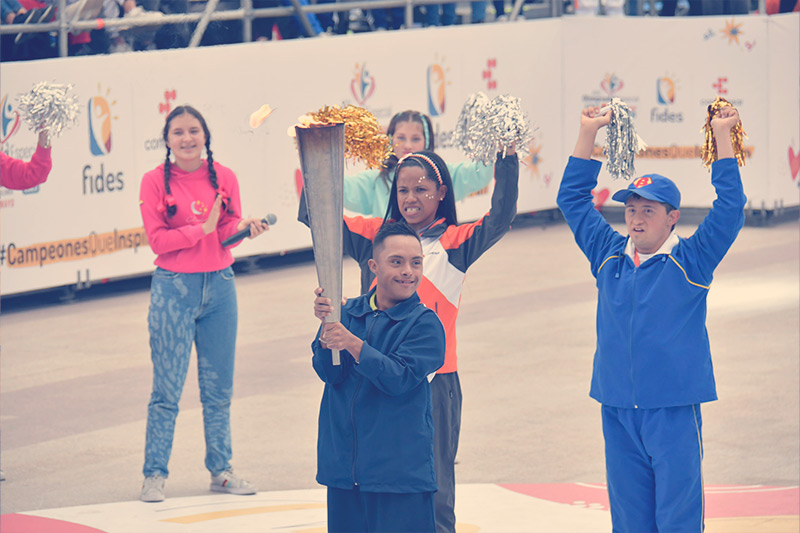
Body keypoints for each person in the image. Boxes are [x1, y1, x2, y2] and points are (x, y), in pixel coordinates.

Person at [305, 148, 518, 533]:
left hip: (434, 379)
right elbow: (318, 217)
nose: (411, 198)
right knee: (370, 484)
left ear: (441, 193)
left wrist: (507, 158)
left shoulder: (455, 241)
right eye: (402, 190)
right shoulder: (374, 236)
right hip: (367, 374)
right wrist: (314, 155)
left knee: (432, 490)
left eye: (421, 189)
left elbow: (500, 218)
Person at [556, 103, 746, 531]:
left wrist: (721, 136)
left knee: (678, 517)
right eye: (631, 208)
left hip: (672, 410)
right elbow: (571, 199)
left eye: (649, 210)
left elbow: (731, 207)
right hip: (617, 407)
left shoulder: (692, 260)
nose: (636, 218)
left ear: (672, 218)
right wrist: (588, 133)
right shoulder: (608, 255)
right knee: (629, 519)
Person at [138, 105, 268, 503]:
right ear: (167, 140)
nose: (187, 138)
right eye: (178, 132)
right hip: (173, 290)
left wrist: (243, 230)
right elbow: (158, 241)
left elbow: (225, 233)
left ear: (206, 136)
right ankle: (154, 475)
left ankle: (222, 470)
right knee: (167, 392)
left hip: (220, 288)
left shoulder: (224, 177)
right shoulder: (153, 182)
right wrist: (202, 229)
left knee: (218, 391)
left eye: (194, 130)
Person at [311, 221, 446, 532]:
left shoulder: (424, 324)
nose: (408, 272)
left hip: (399, 477)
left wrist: (353, 343)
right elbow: (330, 373)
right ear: (373, 266)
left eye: (416, 262)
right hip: (345, 473)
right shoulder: (348, 313)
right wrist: (327, 326)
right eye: (396, 262)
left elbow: (398, 378)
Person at [344, 110, 493, 219]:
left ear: (427, 141)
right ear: (390, 140)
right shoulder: (377, 180)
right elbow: (342, 189)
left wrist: (493, 143)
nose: (407, 145)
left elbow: (478, 174)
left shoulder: (441, 175)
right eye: (401, 138)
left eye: (415, 139)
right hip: (389, 256)